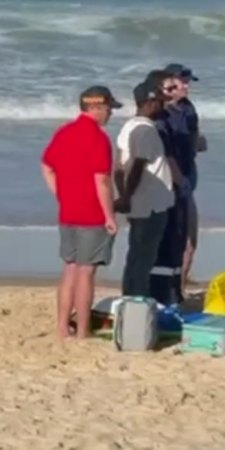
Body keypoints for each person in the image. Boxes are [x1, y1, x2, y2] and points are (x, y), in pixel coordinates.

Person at [40, 85, 121, 338]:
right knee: (86, 271)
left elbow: (46, 166)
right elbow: (102, 181)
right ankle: (83, 330)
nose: (111, 113)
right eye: (109, 108)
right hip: (92, 214)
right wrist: (109, 215)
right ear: (96, 108)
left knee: (70, 268)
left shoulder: (64, 132)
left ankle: (62, 326)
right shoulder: (98, 138)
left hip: (68, 212)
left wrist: (60, 194)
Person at [114, 81, 174, 298]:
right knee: (144, 257)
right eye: (159, 102)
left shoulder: (128, 127)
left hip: (138, 203)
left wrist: (123, 196)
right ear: (149, 103)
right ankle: (136, 301)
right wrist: (127, 196)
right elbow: (138, 166)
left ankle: (129, 297)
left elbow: (118, 166)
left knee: (135, 255)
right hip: (150, 204)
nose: (163, 106)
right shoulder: (146, 130)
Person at [145, 69, 189, 305]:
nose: (179, 90)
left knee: (176, 243)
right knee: (164, 245)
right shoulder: (158, 122)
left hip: (172, 189)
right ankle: (163, 296)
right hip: (164, 190)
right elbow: (167, 157)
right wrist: (181, 182)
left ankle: (172, 294)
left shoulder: (180, 113)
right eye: (170, 88)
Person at [164, 63, 205, 294]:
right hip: (169, 185)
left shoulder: (188, 108)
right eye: (183, 82)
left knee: (190, 242)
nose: (187, 87)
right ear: (169, 84)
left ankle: (178, 290)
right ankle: (169, 291)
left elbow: (194, 135)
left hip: (188, 180)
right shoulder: (160, 112)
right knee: (173, 242)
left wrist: (198, 143)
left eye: (189, 82)